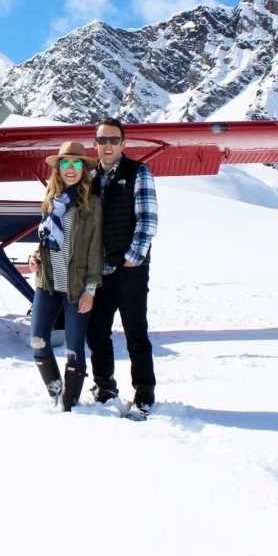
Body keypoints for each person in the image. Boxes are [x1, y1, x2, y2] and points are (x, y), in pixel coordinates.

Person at [86, 116, 159, 417]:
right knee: (96, 332)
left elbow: (148, 219)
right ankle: (105, 385)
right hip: (98, 270)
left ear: (123, 143)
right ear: (95, 144)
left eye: (113, 140)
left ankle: (144, 392)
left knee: (135, 332)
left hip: (129, 268)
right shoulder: (89, 177)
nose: (107, 145)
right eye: (102, 140)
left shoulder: (139, 172)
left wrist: (135, 255)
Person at [28, 141, 102, 411]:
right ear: (58, 168)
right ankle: (55, 391)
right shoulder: (50, 202)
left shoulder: (91, 205)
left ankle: (68, 404)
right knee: (37, 340)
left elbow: (95, 251)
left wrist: (90, 289)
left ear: (84, 169)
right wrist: (34, 257)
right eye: (65, 163)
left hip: (76, 287)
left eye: (77, 163)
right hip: (46, 284)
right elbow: (45, 241)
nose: (71, 168)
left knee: (74, 348)